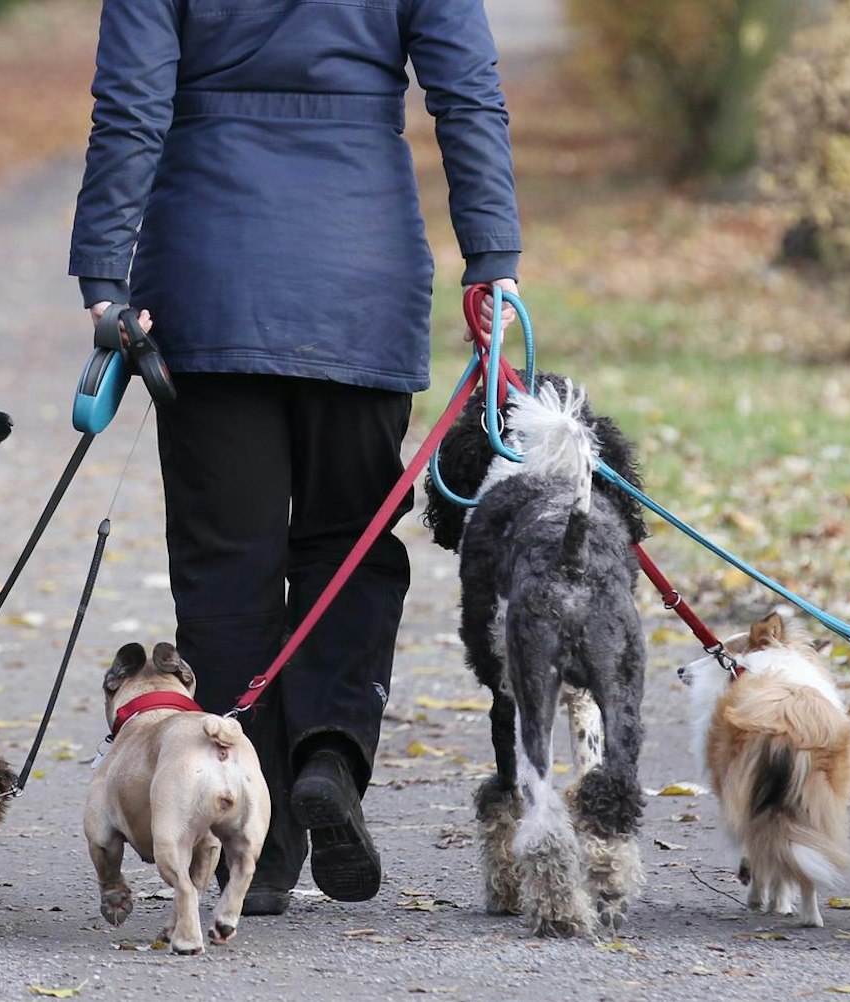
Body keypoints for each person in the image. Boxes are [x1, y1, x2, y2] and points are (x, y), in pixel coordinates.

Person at [69, 0, 520, 915]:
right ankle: (330, 751)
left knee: (225, 562)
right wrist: (492, 256)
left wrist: (104, 277)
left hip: (207, 273)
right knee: (347, 541)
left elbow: (128, 102)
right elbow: (468, 95)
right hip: (360, 271)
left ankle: (253, 850)